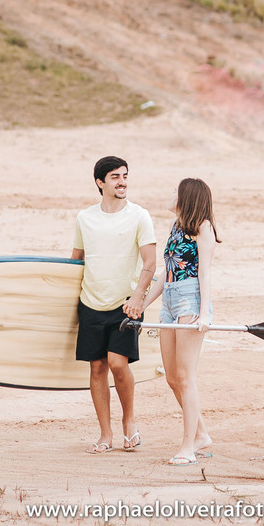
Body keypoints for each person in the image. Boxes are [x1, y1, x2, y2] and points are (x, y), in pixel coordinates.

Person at [72, 156, 156, 455]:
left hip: (126, 304)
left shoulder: (139, 216)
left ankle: (128, 421)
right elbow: (76, 260)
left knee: (118, 364)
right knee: (97, 367)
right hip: (91, 301)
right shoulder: (85, 218)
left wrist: (138, 297)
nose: (122, 182)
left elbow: (150, 262)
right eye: (115, 177)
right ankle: (105, 434)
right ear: (100, 182)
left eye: (125, 176)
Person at [132, 178, 219, 466]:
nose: (171, 195)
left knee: (185, 376)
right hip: (170, 300)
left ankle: (188, 447)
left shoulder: (203, 227)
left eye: (175, 191)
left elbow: (204, 273)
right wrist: (142, 304)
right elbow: (165, 273)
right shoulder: (177, 226)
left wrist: (204, 314)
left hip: (189, 301)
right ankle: (201, 435)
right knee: (171, 377)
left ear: (187, 196)